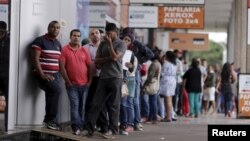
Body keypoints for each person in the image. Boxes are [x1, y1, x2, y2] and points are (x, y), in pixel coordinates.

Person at [85, 23, 126, 139]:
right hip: (103, 78)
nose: (107, 35)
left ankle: (113, 131)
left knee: (113, 106)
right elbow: (96, 60)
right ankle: (89, 130)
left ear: (116, 32)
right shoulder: (102, 43)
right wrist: (108, 58)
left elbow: (116, 57)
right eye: (106, 33)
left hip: (116, 78)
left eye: (110, 33)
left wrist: (109, 45)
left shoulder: (121, 44)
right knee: (95, 104)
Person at [60, 29, 93, 135]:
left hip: (85, 84)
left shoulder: (84, 50)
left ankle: (81, 126)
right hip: (72, 85)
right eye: (74, 35)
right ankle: (75, 127)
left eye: (78, 36)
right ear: (70, 37)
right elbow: (62, 68)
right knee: (75, 105)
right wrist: (68, 82)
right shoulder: (65, 50)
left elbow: (90, 66)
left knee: (82, 107)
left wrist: (90, 81)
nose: (76, 37)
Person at [121, 27, 154, 131]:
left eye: (129, 37)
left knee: (132, 100)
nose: (126, 39)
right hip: (124, 74)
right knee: (127, 100)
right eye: (125, 36)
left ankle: (134, 122)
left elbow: (150, 54)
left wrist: (138, 61)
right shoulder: (121, 44)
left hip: (133, 74)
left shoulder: (137, 44)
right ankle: (128, 122)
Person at [31, 21, 61, 130]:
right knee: (56, 91)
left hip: (55, 75)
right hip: (43, 74)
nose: (55, 29)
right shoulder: (40, 40)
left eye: (58, 28)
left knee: (52, 94)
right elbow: (35, 59)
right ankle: (50, 120)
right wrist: (42, 74)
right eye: (53, 27)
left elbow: (58, 61)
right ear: (48, 28)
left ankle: (49, 121)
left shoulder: (58, 43)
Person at [0, 21, 10, 131]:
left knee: (9, 101)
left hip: (7, 76)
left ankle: (8, 126)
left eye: (1, 32)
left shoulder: (10, 42)